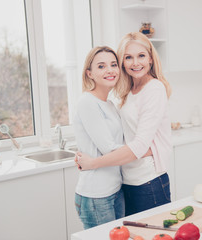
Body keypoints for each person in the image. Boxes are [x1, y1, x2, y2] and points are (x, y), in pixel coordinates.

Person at [76, 32, 172, 216]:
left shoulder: (154, 89)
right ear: (123, 63)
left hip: (148, 181)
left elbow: (140, 145)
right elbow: (123, 137)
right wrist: (85, 151)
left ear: (151, 59)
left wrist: (93, 162)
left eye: (141, 56)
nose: (135, 63)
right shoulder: (128, 91)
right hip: (127, 180)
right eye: (128, 57)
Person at [73, 46, 125, 229]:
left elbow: (120, 143)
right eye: (101, 66)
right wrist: (144, 150)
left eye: (113, 64)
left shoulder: (110, 104)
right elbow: (109, 148)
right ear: (89, 73)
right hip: (96, 194)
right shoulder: (87, 102)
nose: (110, 70)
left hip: (115, 188)